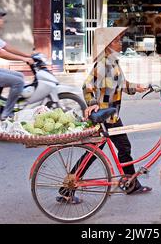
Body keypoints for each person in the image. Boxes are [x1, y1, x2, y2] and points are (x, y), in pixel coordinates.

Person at [56, 27, 152, 204]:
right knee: (104, 150)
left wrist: (136, 87)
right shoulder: (103, 64)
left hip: (111, 116)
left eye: (120, 39)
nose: (120, 43)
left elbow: (120, 85)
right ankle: (67, 189)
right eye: (116, 41)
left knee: (106, 150)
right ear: (107, 46)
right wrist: (92, 104)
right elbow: (87, 86)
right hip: (104, 117)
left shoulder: (113, 62)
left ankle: (130, 184)